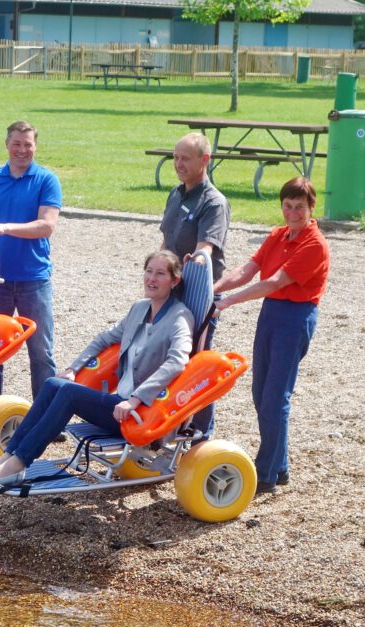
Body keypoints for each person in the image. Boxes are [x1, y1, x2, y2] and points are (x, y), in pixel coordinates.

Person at [0, 250, 193, 485]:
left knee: (68, 393)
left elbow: (177, 361)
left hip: (140, 413)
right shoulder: (140, 308)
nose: (151, 279)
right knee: (54, 383)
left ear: (174, 280)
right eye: (149, 271)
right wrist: (73, 369)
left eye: (160, 274)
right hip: (120, 403)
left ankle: (18, 463)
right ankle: (6, 458)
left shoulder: (179, 317)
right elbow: (104, 339)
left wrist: (136, 399)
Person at [212, 177, 330, 495]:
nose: (292, 212)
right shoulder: (278, 235)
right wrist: (213, 288)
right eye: (288, 206)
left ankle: (265, 473)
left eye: (299, 207)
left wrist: (228, 303)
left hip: (294, 316)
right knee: (261, 392)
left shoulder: (314, 244)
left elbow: (275, 282)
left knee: (275, 397)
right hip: (271, 313)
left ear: (311, 208)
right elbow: (248, 270)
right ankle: (280, 467)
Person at [0, 120, 62, 399]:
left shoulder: (46, 180)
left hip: (34, 278)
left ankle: (44, 418)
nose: (22, 150)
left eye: (27, 144)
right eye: (16, 144)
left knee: (41, 352)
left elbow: (46, 226)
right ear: (7, 145)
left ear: (35, 146)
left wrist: (4, 227)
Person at [159, 131, 230, 441]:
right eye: (175, 157)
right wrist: (156, 278)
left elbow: (205, 250)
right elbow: (165, 241)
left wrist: (198, 258)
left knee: (198, 362)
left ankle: (202, 431)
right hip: (172, 289)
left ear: (205, 160)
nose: (178, 164)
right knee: (170, 358)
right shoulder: (176, 194)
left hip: (199, 294)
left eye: (185, 158)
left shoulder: (213, 202)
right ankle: (172, 423)